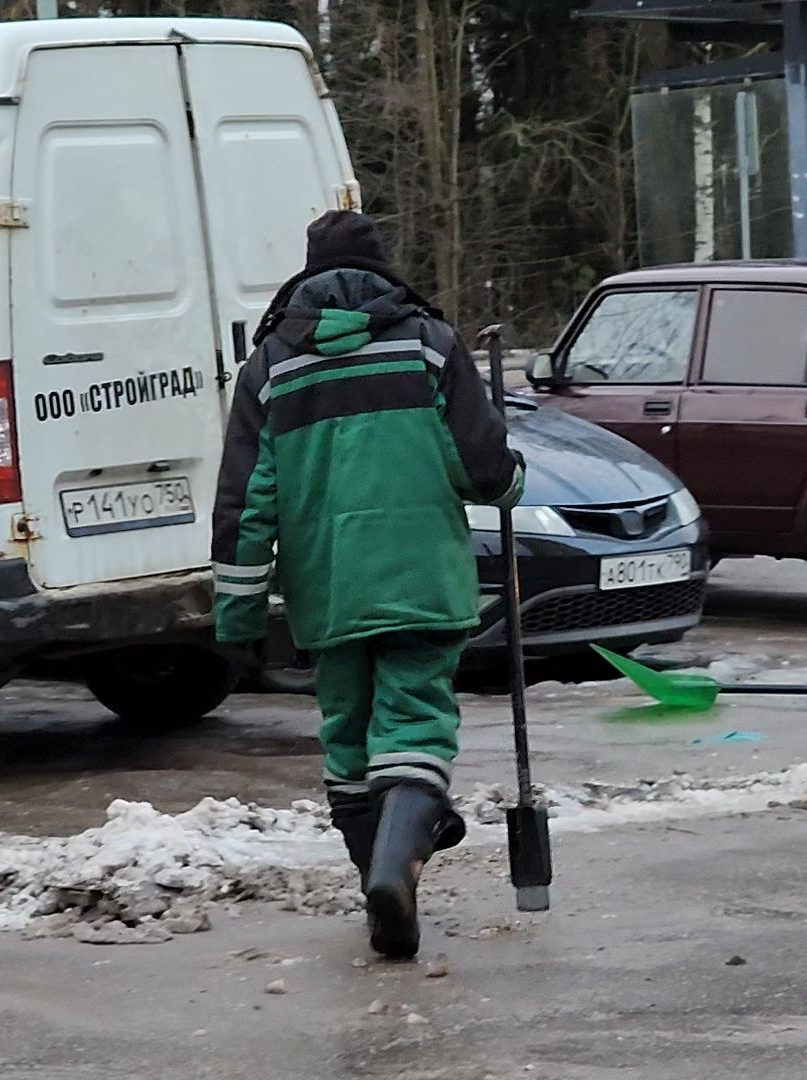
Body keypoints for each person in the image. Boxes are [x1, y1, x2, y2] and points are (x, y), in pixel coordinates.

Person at [211, 210, 524, 958]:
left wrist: (238, 614)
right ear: (384, 271)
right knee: (413, 725)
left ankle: (381, 891)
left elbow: (244, 501)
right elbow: (480, 460)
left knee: (349, 742)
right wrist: (509, 486)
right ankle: (397, 868)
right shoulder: (429, 344)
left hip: (329, 588)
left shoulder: (271, 369)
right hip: (423, 580)